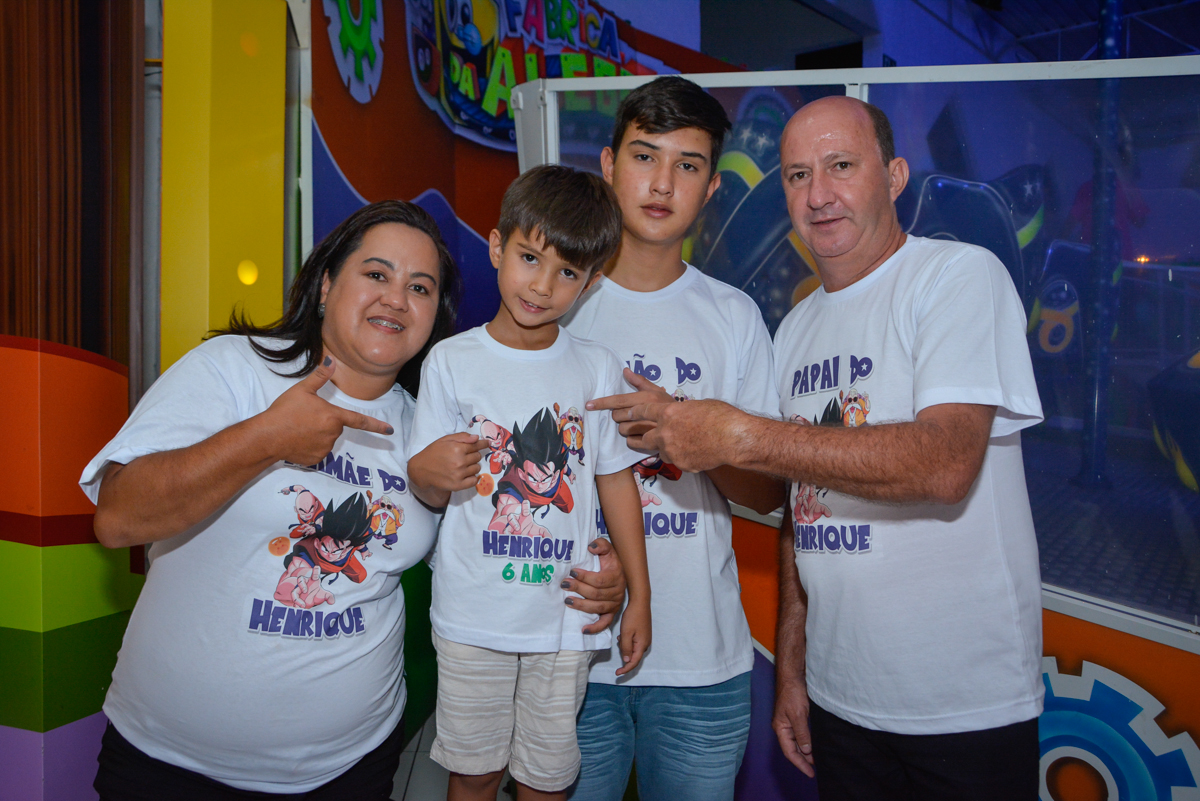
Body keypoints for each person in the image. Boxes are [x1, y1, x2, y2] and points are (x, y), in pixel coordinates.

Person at [80, 200, 628, 800]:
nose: (397, 298)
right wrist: (264, 438)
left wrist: (601, 570)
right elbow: (118, 517)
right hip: (170, 769)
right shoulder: (234, 370)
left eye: (420, 287)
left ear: (433, 317)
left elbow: (496, 555)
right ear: (324, 285)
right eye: (376, 274)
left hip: (351, 771)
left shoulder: (432, 437)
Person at [610, 96, 1046, 800]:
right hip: (841, 700)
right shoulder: (799, 327)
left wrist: (735, 434)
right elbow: (802, 506)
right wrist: (792, 664)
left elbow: (946, 464)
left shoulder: (957, 278)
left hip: (962, 702)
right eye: (797, 175)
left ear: (895, 175)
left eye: (841, 166)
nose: (818, 195)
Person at [563, 76, 784, 801]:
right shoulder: (553, 304)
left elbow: (768, 495)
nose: (662, 183)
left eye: (687, 165)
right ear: (607, 165)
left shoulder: (735, 315)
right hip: (570, 655)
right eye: (644, 156)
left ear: (712, 186)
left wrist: (694, 431)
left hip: (702, 662)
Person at [406, 165, 651, 801]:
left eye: (567, 272)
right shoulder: (449, 361)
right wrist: (428, 471)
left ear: (591, 282)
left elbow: (616, 482)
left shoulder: (596, 367)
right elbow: (425, 486)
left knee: (545, 779)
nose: (542, 286)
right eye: (529, 257)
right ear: (496, 247)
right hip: (471, 616)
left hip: (562, 618)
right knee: (476, 773)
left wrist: (640, 595)